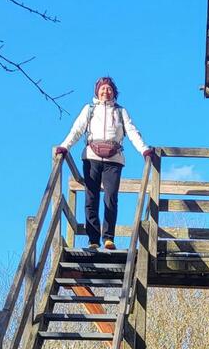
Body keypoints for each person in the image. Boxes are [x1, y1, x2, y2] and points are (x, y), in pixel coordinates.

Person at [56, 76, 156, 250]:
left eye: (109, 89)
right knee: (91, 198)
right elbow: (77, 130)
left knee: (111, 197)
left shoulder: (120, 111)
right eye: (103, 88)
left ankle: (108, 237)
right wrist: (65, 147)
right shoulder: (89, 109)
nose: (105, 91)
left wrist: (144, 149)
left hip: (113, 159)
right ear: (97, 91)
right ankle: (93, 239)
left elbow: (132, 131)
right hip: (91, 157)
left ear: (114, 92)